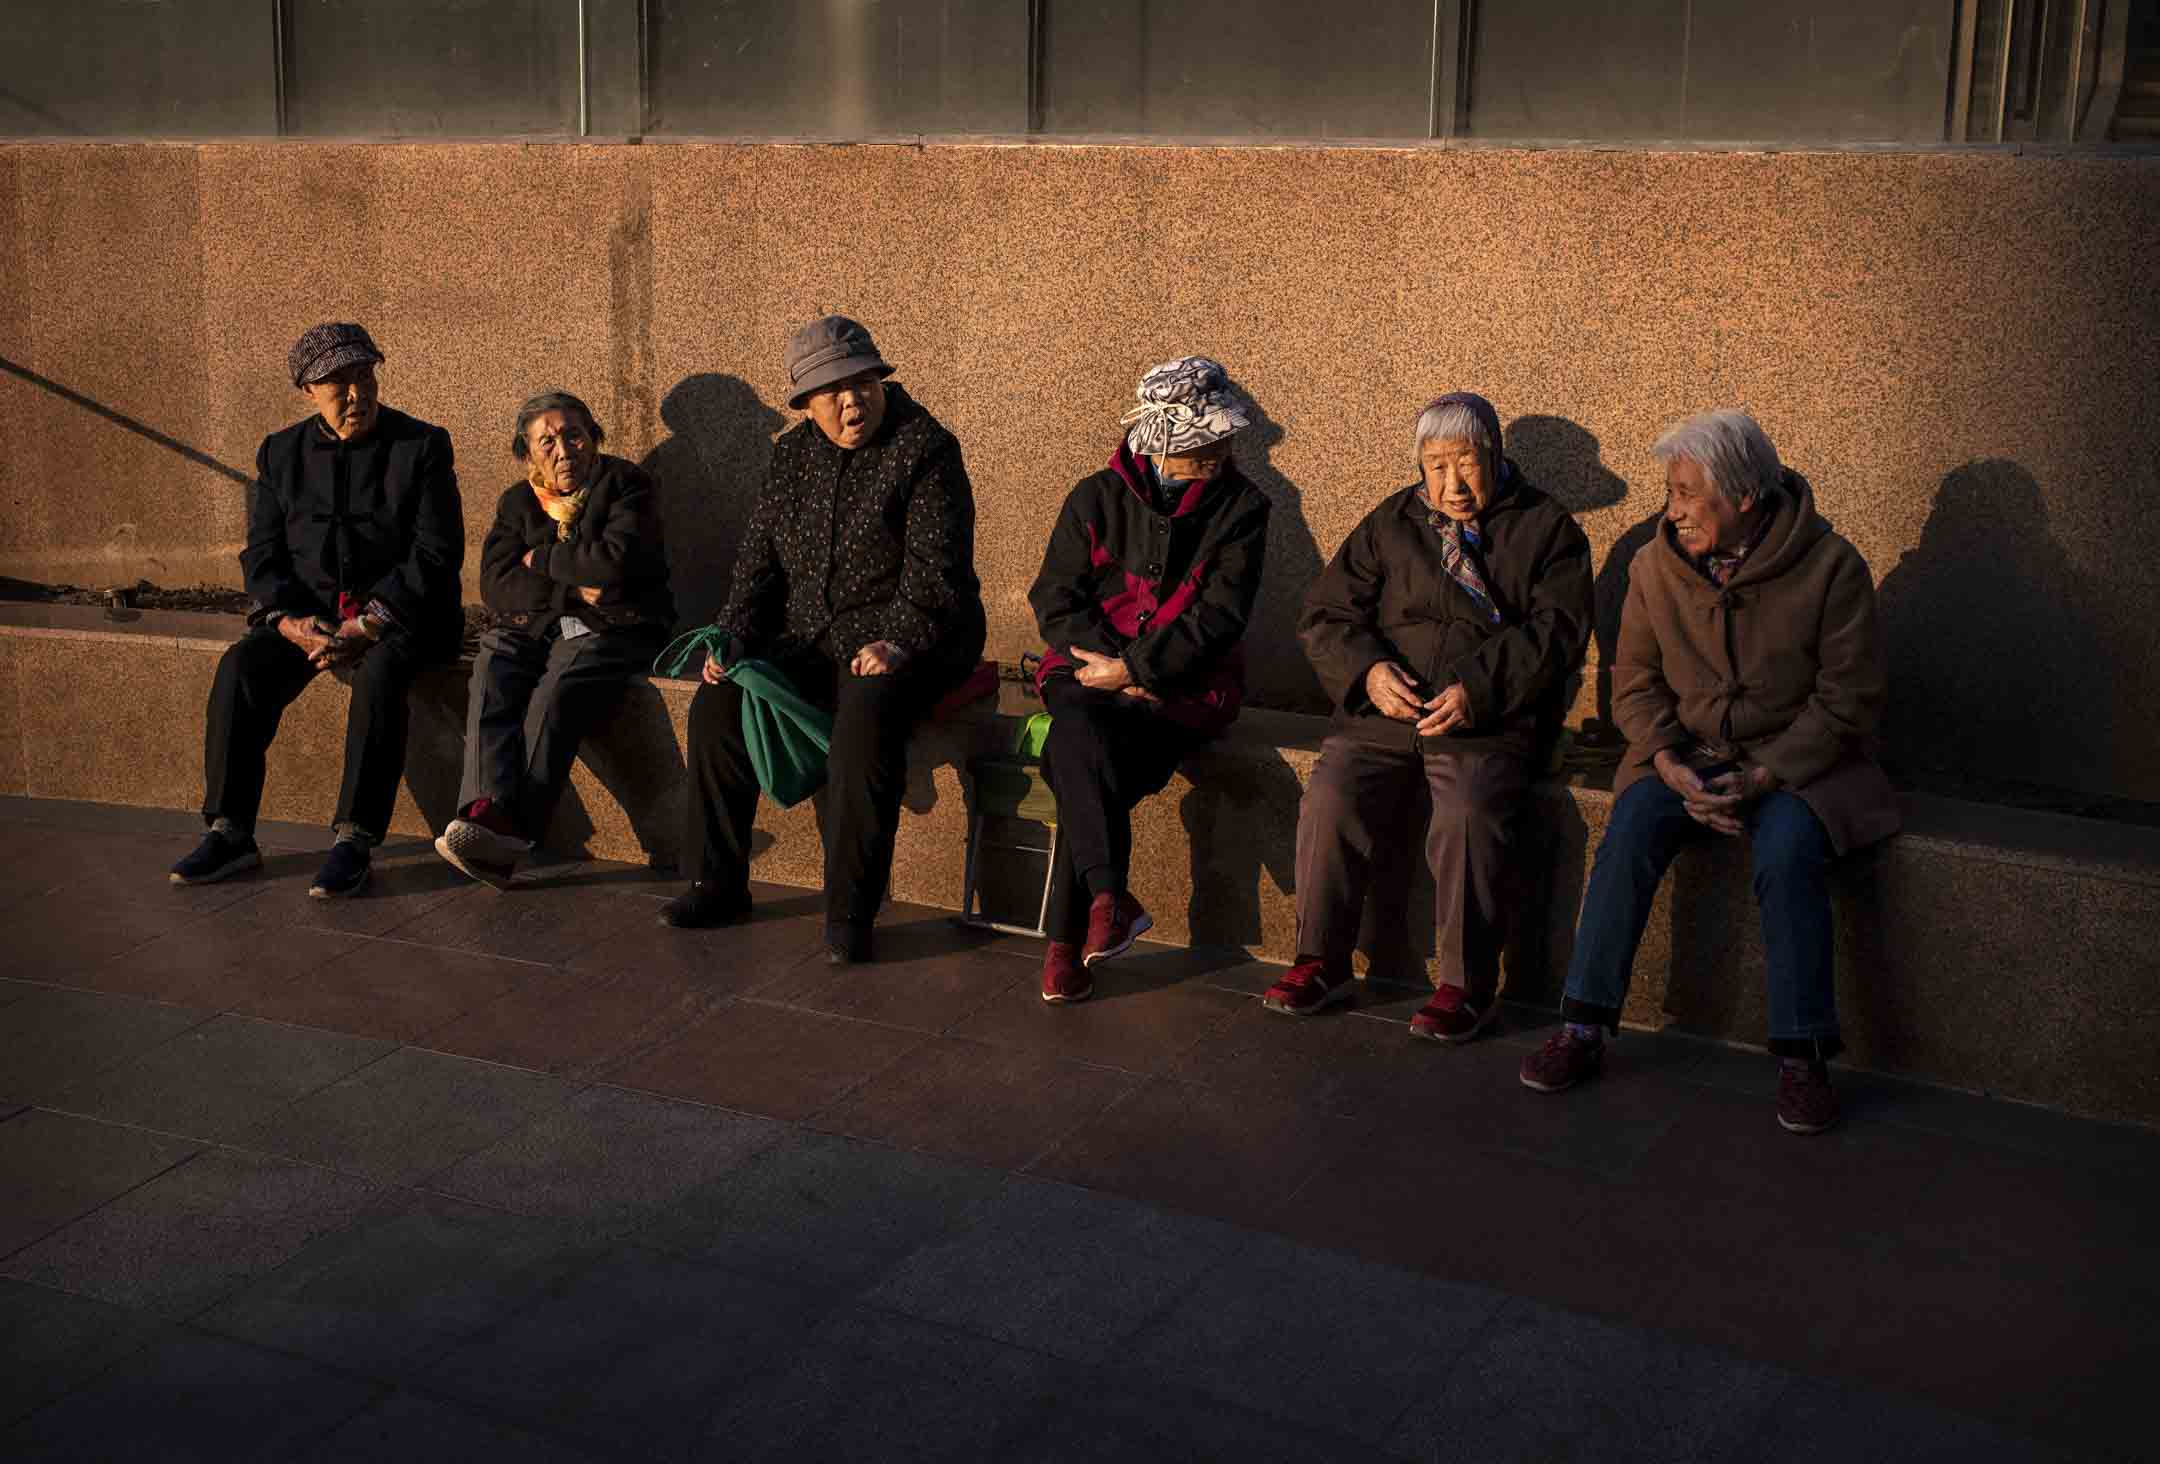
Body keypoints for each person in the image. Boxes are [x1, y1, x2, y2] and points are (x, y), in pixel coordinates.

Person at [1519, 409, 1900, 1134]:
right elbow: (1631, 679)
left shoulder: (1831, 566)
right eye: (1672, 490)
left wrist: (1764, 774)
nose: (1674, 509)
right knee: (1630, 825)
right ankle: (1584, 1025)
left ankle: (1803, 1054)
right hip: (1684, 754)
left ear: (1744, 496)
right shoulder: (1653, 566)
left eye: (1689, 492)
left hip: (1801, 763)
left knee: (1789, 850)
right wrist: (1665, 759)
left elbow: (1848, 698)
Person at [660, 315, 985, 964]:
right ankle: (717, 882)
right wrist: (731, 639)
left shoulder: (924, 449)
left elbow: (938, 571)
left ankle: (850, 912)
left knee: (863, 725)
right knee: (718, 708)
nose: (851, 399)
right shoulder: (793, 455)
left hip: (914, 638)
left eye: (864, 382)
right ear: (806, 407)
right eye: (833, 390)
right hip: (810, 637)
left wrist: (899, 640)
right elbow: (759, 562)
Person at [1277, 393, 1592, 1038]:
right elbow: (1326, 614)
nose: (1452, 484)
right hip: (1386, 712)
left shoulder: (1547, 528)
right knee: (1332, 791)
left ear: (1496, 456)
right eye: (1436, 465)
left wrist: (1478, 688)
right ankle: (1322, 960)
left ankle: (1466, 985)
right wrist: (1367, 671)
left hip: (1486, 718)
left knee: (1470, 812)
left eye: (1467, 464)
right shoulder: (1391, 522)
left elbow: (1557, 631)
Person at [170, 323, 463, 897]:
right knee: (240, 669)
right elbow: (262, 551)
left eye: (365, 377)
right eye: (339, 383)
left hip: (405, 618)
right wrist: (286, 620)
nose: (357, 393)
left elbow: (437, 553)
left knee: (379, 673)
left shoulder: (421, 446)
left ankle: (355, 838)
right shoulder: (281, 453)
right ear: (308, 389)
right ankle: (231, 832)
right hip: (312, 620)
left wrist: (370, 622)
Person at [1026, 356, 1271, 1003]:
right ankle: (1109, 897)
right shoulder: (1094, 498)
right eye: (1206, 440)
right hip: (1085, 674)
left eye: (1223, 438)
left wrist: (1137, 671)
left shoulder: (1243, 509)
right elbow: (1055, 599)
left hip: (1178, 689)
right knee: (1082, 725)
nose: (1221, 449)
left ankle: (1072, 933)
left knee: (1070, 751)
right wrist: (1108, 666)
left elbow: (1221, 615)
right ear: (1164, 438)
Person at [434, 391, 674, 887]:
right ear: (527, 454)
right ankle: (483, 809)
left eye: (573, 435)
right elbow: (497, 585)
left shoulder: (627, 484)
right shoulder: (518, 502)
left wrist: (538, 559)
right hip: (537, 624)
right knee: (494, 666)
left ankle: (513, 832)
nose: (563, 450)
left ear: (593, 438)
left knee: (559, 688)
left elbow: (611, 565)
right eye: (547, 442)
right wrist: (569, 588)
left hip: (618, 624)